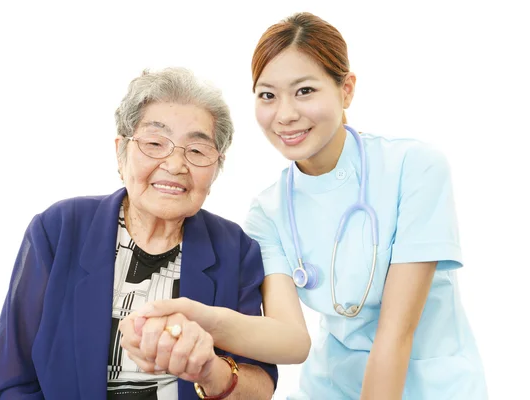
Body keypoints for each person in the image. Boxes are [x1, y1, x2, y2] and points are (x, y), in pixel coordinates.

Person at [131, 12, 488, 399]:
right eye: (268, 95)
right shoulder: (268, 211)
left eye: (304, 91)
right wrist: (201, 317)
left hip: (432, 387)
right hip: (330, 387)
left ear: (346, 89)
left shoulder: (414, 168)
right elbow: (290, 340)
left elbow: (395, 334)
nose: (285, 114)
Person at [0, 67, 277, 400]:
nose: (176, 164)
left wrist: (210, 370)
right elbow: (10, 381)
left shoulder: (236, 249)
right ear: (121, 152)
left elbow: (261, 385)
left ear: (216, 168)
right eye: (155, 143)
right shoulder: (58, 229)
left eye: (196, 151)